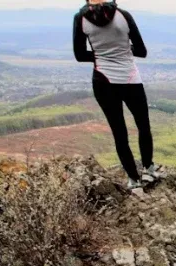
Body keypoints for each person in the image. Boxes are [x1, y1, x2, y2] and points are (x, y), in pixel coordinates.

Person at [73, 0, 159, 189]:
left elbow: (79, 54)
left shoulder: (81, 19)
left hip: (103, 81)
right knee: (143, 125)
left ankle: (133, 180)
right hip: (130, 79)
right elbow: (142, 51)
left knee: (119, 133)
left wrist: (101, 55)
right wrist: (123, 51)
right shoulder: (123, 16)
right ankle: (149, 168)